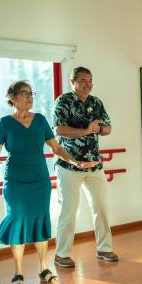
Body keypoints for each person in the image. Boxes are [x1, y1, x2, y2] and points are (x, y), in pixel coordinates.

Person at [0, 80, 97, 284]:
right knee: (17, 220)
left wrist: (75, 161)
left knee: (39, 221)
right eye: (24, 93)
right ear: (13, 98)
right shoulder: (5, 123)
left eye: (31, 93)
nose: (29, 97)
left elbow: (56, 147)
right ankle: (18, 273)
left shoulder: (40, 121)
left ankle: (44, 268)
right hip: (15, 182)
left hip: (39, 181)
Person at [52, 67, 118, 268]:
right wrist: (86, 130)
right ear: (73, 81)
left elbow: (107, 128)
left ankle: (104, 249)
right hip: (69, 166)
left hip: (94, 166)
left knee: (102, 208)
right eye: (83, 80)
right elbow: (59, 130)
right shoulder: (63, 101)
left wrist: (100, 129)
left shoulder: (96, 102)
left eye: (90, 80)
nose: (88, 84)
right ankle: (61, 254)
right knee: (68, 211)